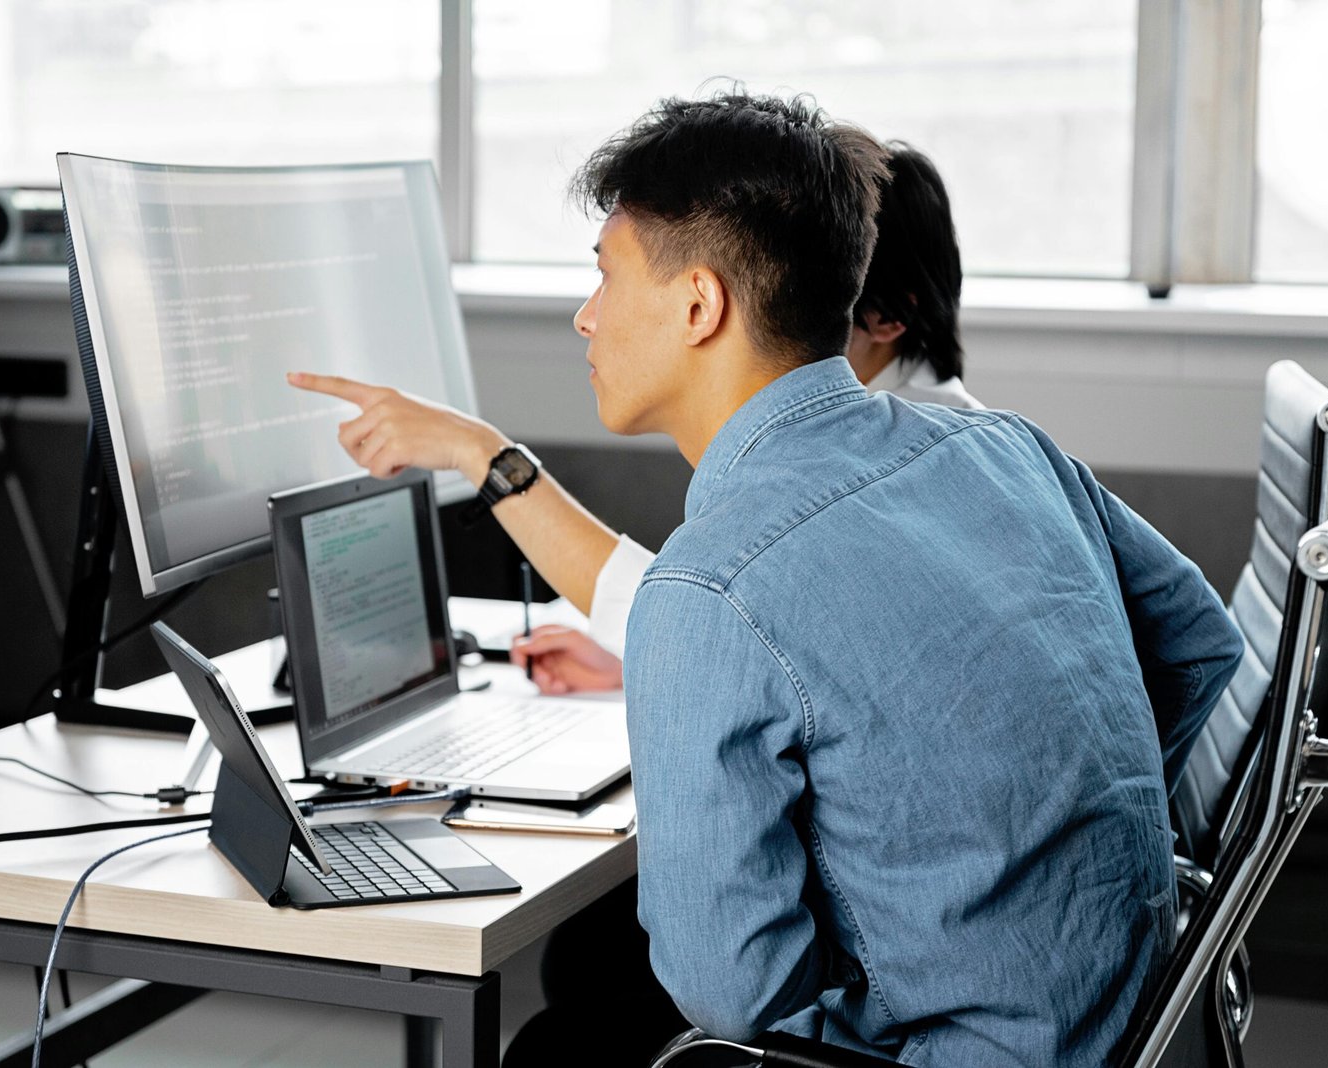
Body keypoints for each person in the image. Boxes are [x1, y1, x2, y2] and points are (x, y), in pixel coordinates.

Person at [291, 90, 1242, 1066]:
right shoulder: (1002, 445)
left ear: (700, 304)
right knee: (586, 986)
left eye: (606, 277)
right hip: (1136, 1022)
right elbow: (1202, 645)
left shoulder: (711, 590)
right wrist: (1048, 853)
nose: (584, 318)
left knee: (557, 1048)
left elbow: (733, 995)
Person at [287, 140, 983, 693]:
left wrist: (482, 454)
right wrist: (651, 672)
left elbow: (705, 607)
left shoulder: (862, 482)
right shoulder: (983, 447)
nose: (587, 318)